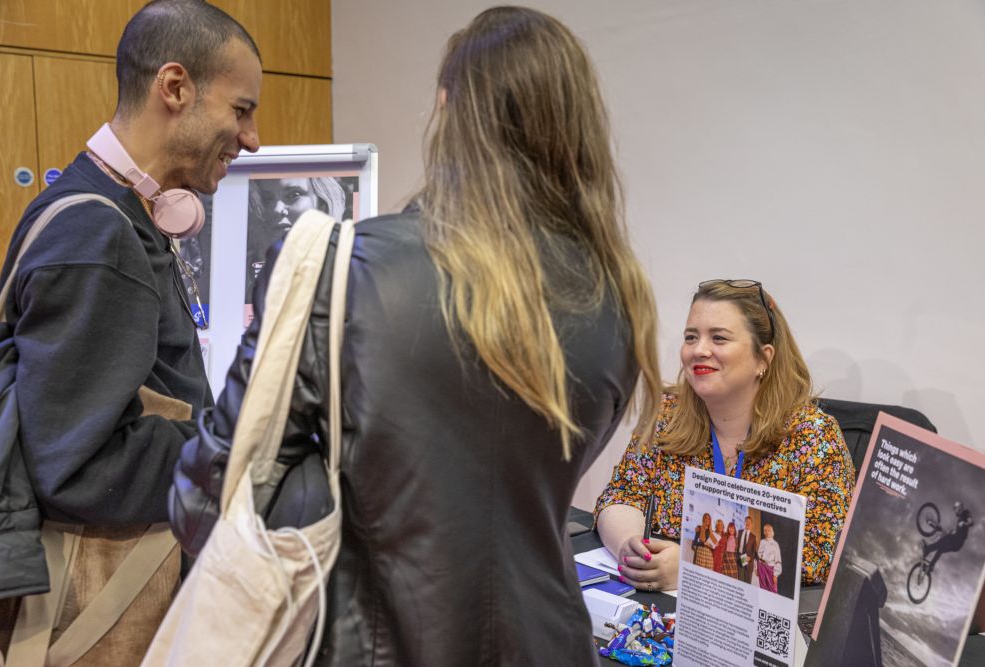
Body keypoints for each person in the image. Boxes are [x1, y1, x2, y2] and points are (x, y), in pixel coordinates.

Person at [171, 6, 660, 665]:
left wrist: (350, 470)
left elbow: (207, 503)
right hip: (552, 642)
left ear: (447, 108)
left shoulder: (337, 268)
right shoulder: (618, 297)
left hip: (374, 644)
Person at [0, 0, 260, 660]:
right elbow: (79, 464)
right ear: (175, 88)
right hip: (96, 614)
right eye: (241, 109)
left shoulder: (103, 210)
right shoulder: (99, 234)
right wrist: (237, 451)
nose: (252, 137)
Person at [594, 279, 856, 593]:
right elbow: (621, 496)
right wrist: (631, 548)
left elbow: (817, 558)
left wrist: (695, 568)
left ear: (764, 358)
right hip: (665, 608)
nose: (698, 350)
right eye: (691, 337)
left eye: (718, 337)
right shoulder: (666, 415)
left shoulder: (813, 436)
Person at [246, 177, 347, 299]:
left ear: (322, 205)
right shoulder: (247, 276)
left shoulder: (348, 269)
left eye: (293, 195)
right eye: (267, 199)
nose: (276, 209)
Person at [922, 501, 974, 569]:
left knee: (943, 540)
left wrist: (964, 523)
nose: (955, 511)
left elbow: (971, 522)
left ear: (959, 508)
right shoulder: (960, 518)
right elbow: (958, 530)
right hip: (956, 541)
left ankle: (927, 549)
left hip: (957, 541)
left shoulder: (966, 512)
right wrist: (951, 531)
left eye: (955, 509)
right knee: (940, 548)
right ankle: (931, 566)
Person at [757, 524, 782, 593]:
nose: (767, 532)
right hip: (761, 567)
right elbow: (759, 555)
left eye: (769, 530)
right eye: (765, 530)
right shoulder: (762, 542)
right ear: (764, 532)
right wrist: (757, 568)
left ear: (772, 532)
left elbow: (778, 560)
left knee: (773, 589)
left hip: (770, 569)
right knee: (762, 588)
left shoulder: (775, 544)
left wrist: (775, 574)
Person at [737, 515, 758, 584]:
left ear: (751, 524)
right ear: (744, 522)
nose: (748, 523)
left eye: (749, 522)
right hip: (740, 559)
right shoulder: (739, 532)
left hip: (749, 562)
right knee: (740, 581)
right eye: (746, 521)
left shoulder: (753, 537)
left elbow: (754, 551)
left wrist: (750, 558)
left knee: (748, 582)